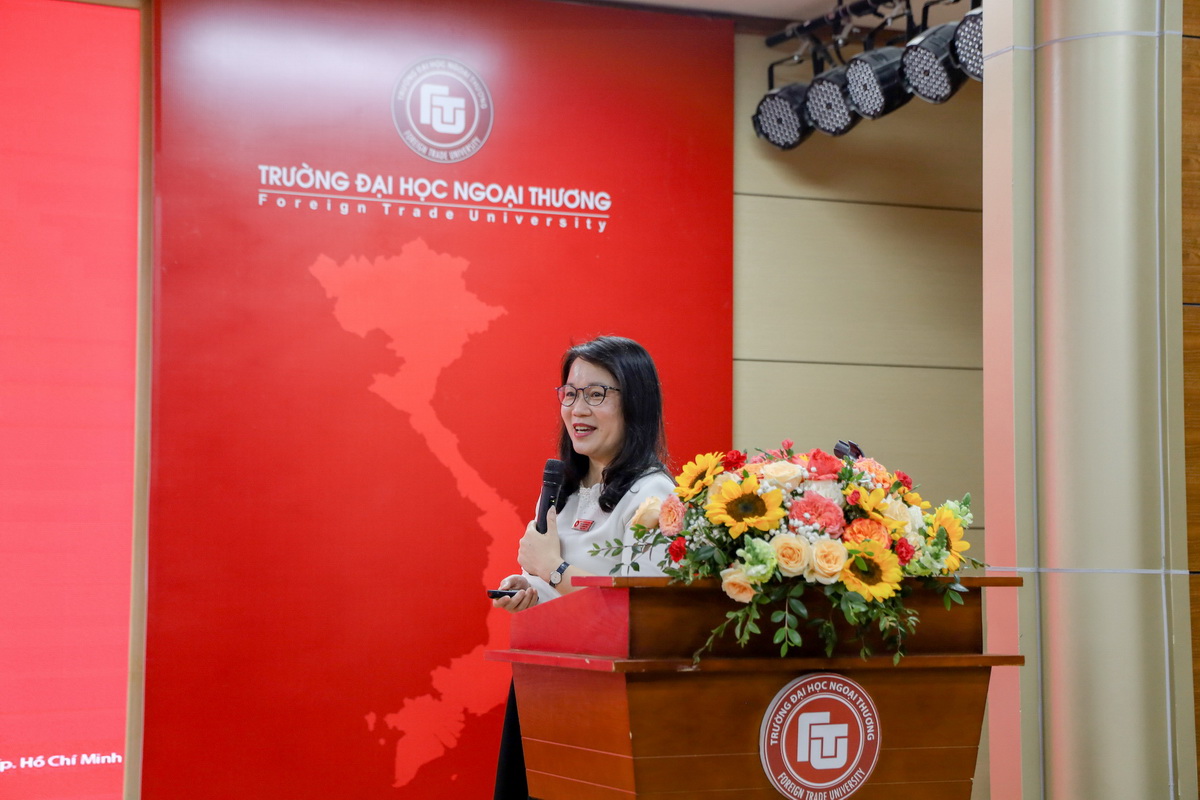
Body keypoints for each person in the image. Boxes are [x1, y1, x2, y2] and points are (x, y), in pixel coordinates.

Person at [491, 335, 674, 800]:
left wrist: (553, 570)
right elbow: (551, 580)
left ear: (635, 402)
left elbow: (639, 617)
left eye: (596, 394)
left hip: (608, 699)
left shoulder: (653, 496)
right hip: (546, 685)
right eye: (570, 394)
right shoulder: (563, 486)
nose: (577, 409)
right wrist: (529, 587)